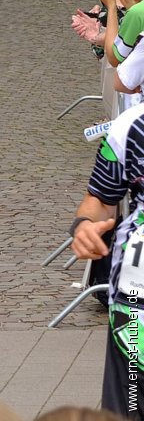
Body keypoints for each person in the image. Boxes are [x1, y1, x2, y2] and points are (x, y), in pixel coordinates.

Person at [69, 100, 144, 418]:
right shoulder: (131, 126)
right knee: (128, 410)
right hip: (136, 299)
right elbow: (99, 199)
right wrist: (84, 226)